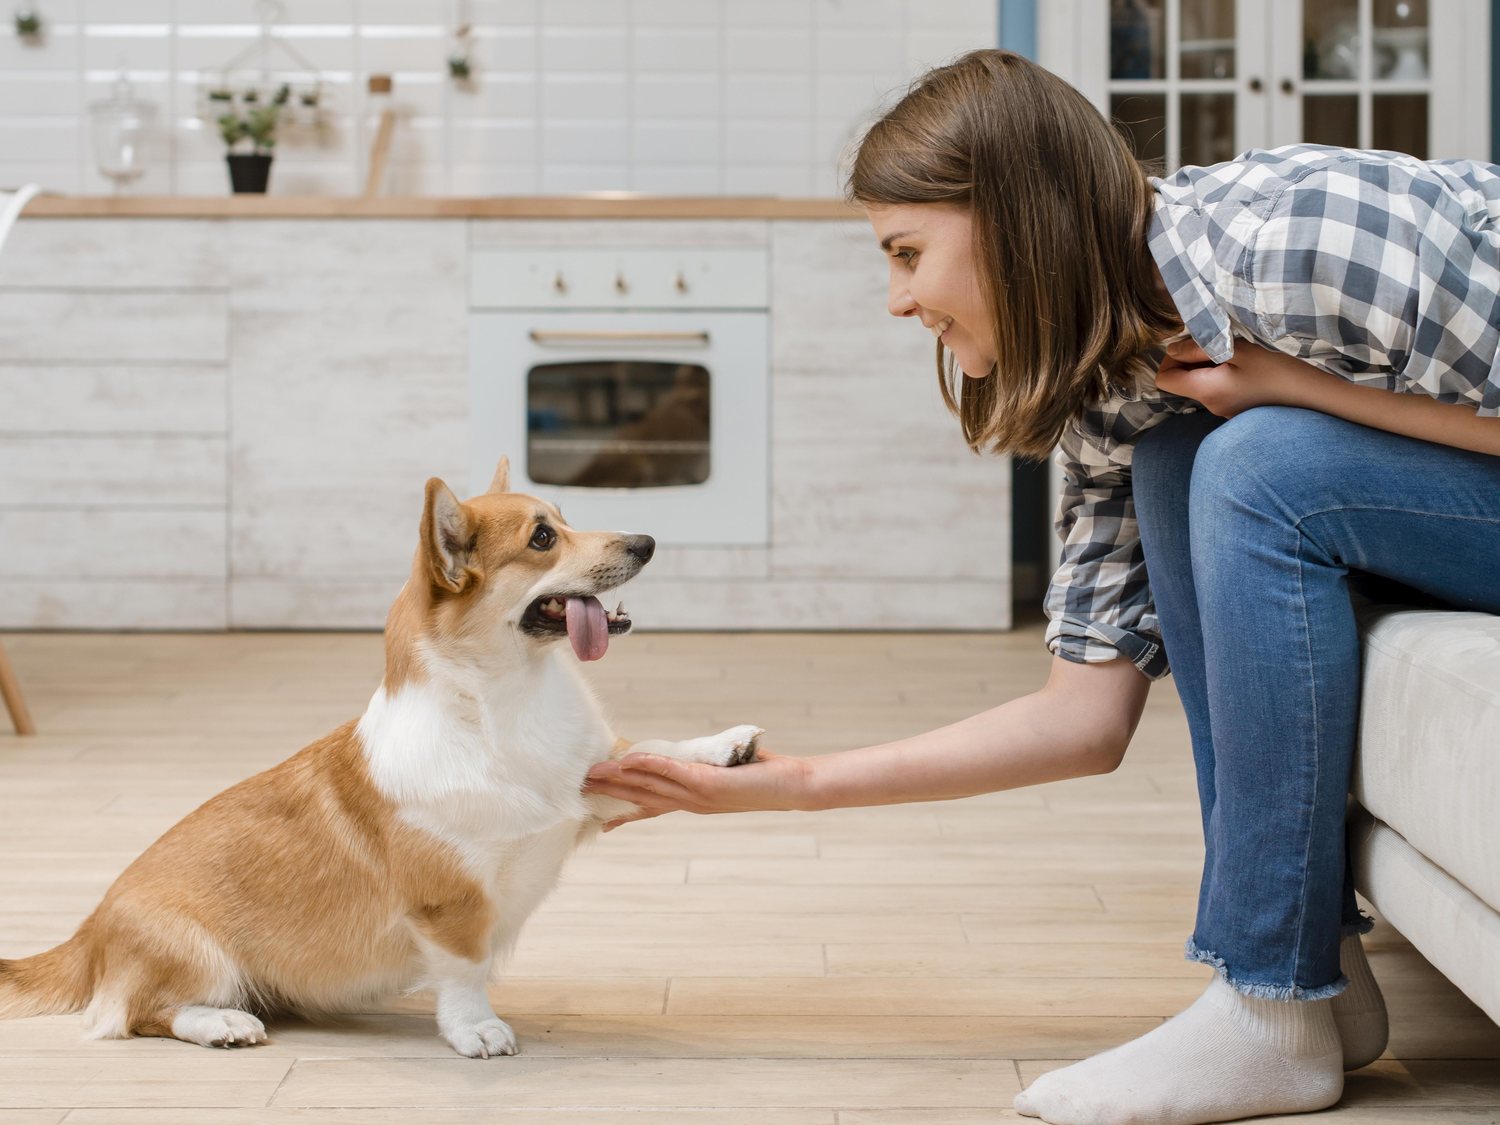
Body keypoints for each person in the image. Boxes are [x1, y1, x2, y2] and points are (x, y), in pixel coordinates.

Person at [583, 49, 1500, 1125]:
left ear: (1015, 215)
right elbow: (1084, 716)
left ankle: (1267, 1006)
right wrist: (794, 786)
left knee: (1256, 461)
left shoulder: (1304, 241)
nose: (899, 299)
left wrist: (1289, 389)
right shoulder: (1123, 386)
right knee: (1185, 454)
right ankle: (1315, 978)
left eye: (907, 253)